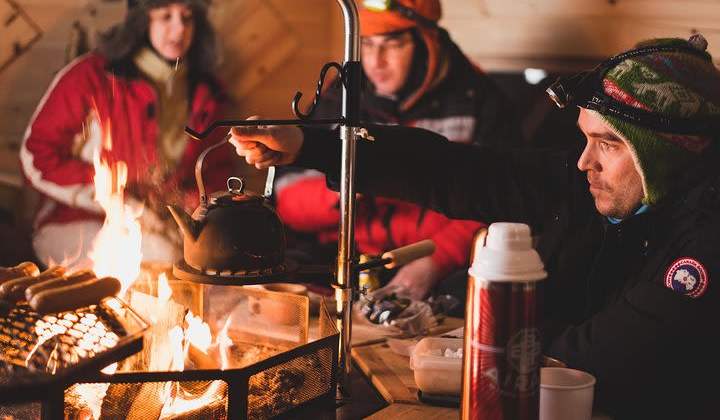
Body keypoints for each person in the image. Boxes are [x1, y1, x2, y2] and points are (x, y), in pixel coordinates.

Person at [229, 34, 720, 419]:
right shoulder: (591, 187)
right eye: (584, 140)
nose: (583, 162)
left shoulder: (703, 248)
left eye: (607, 144)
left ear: (666, 155)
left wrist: (475, 345)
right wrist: (310, 145)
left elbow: (592, 360)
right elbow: (458, 170)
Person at [275, 0, 520, 300]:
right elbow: (286, 198)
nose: (375, 62)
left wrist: (434, 263)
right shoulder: (339, 98)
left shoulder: (480, 100)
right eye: (367, 44)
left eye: (393, 44)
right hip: (342, 256)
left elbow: (502, 203)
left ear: (426, 44)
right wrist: (347, 187)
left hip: (440, 265)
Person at [20, 0, 233, 269]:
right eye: (165, 16)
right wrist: (117, 200)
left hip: (163, 227)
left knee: (204, 264)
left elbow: (217, 169)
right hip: (74, 221)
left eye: (187, 17)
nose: (179, 29)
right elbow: (37, 155)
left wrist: (193, 208)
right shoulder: (91, 76)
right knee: (156, 258)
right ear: (141, 19)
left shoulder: (206, 90)